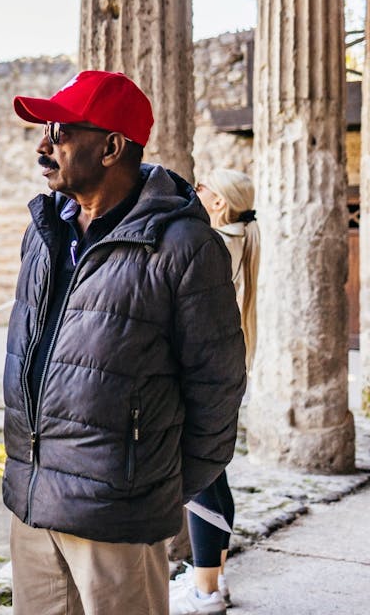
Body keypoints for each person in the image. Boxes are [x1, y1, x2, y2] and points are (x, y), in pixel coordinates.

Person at [3, 70, 247, 615]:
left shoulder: (185, 245)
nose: (45, 144)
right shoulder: (43, 231)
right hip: (31, 499)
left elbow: (217, 384)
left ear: (111, 146)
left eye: (60, 130)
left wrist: (151, 482)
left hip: (117, 511)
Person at [168, 168, 259, 615]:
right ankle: (213, 578)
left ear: (219, 203)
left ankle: (206, 593)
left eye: (200, 189)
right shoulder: (239, 239)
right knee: (214, 476)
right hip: (224, 372)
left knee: (199, 481)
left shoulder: (214, 245)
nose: (193, 194)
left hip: (201, 375)